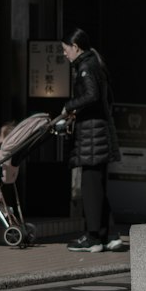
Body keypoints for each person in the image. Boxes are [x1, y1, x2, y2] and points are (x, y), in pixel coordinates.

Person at [58, 28, 125, 252]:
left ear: (76, 47)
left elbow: (91, 95)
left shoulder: (86, 67)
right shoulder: (96, 64)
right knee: (97, 186)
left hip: (92, 135)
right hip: (100, 132)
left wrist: (69, 107)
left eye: (65, 49)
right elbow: (105, 97)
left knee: (90, 187)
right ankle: (108, 234)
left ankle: (93, 236)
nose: (64, 54)